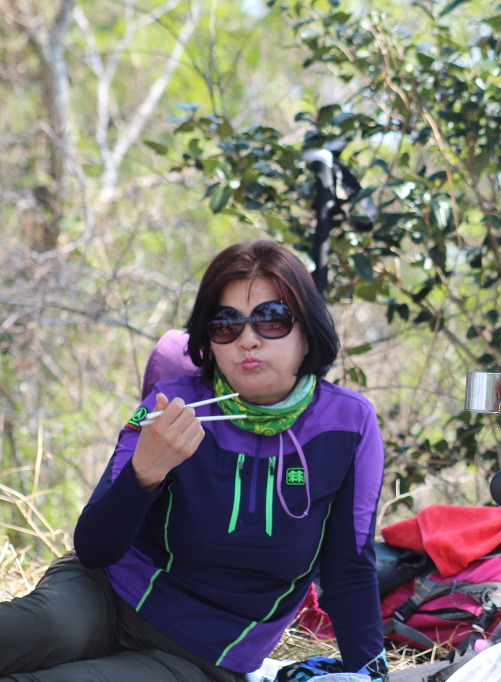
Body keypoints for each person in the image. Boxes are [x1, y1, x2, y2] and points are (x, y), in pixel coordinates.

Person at [0, 240, 389, 682]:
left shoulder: (348, 423)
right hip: (101, 594)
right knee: (36, 628)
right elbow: (94, 548)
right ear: (209, 338)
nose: (248, 340)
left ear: (307, 330)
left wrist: (370, 672)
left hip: (201, 654)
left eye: (272, 319)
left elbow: (349, 567)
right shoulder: (173, 405)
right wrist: (144, 473)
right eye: (226, 324)